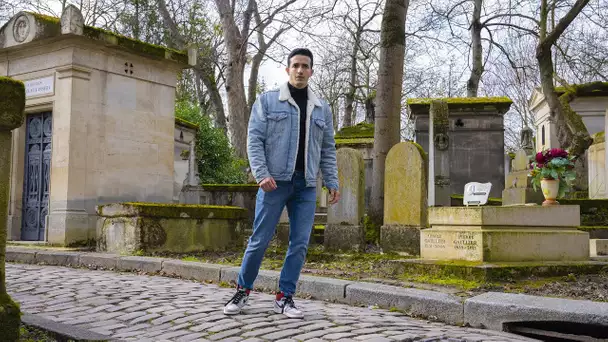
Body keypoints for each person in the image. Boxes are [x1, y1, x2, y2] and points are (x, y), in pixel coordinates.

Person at [223, 48, 340, 318]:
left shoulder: (322, 108)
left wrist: (331, 180)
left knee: (299, 243)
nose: (300, 70)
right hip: (274, 183)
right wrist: (261, 173)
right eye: (295, 65)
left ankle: (285, 297)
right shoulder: (267, 101)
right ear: (287, 69)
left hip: (307, 185)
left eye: (305, 66)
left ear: (312, 71)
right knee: (259, 240)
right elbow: (254, 140)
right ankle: (242, 291)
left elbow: (327, 149)